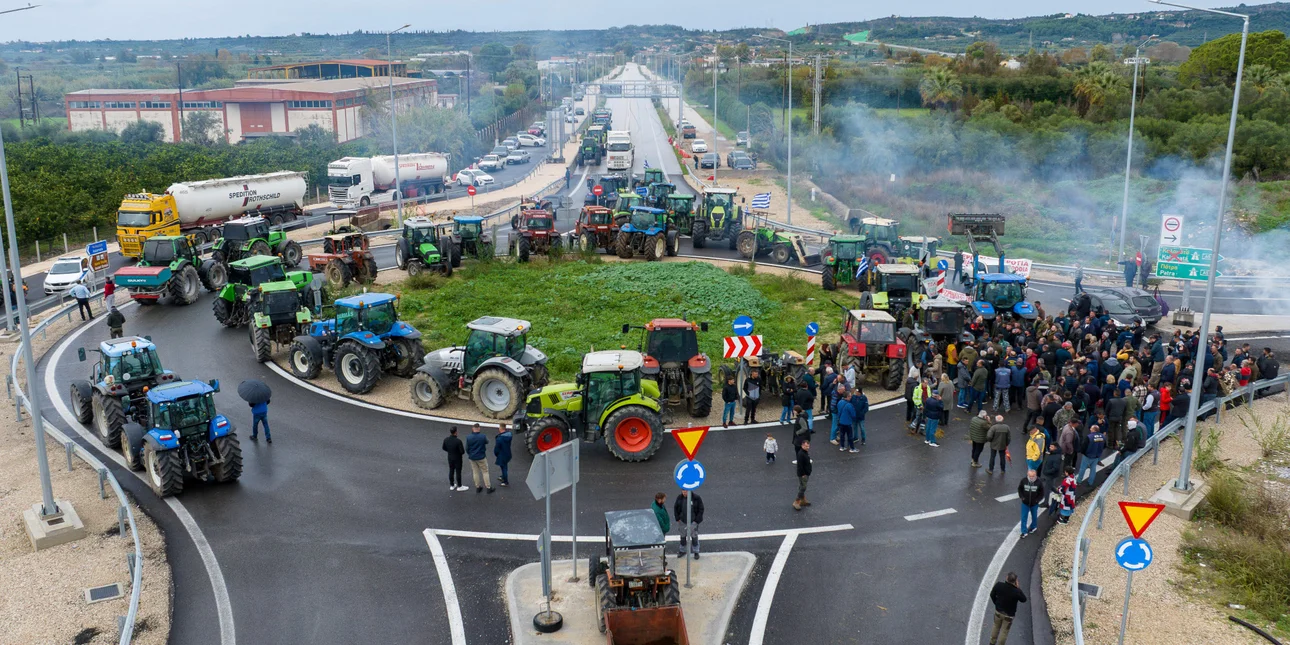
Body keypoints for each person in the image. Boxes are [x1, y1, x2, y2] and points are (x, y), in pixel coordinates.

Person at [989, 572, 1028, 645]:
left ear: (1007, 577)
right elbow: (1024, 599)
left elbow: (992, 595)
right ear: (1015, 581)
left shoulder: (999, 585)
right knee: (1004, 632)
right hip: (1009, 616)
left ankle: (992, 643)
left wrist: (996, 604)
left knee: (996, 627)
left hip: (998, 612)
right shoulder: (1017, 592)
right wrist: (1018, 588)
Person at [673, 490, 703, 559]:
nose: (684, 493)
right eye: (683, 492)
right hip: (682, 522)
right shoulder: (680, 498)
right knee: (682, 537)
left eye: (685, 492)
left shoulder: (696, 498)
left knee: (694, 537)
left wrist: (696, 521)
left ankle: (696, 552)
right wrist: (677, 518)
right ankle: (682, 551)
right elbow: (676, 508)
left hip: (693, 522)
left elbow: (701, 509)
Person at [466, 424, 494, 494]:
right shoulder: (483, 436)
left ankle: (478, 487)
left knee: (475, 472)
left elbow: (467, 448)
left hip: (472, 457)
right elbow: (487, 442)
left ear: (473, 429)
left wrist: (470, 454)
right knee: (485, 471)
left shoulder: (469, 437)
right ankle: (488, 487)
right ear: (479, 429)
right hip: (481, 457)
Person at [1018, 470, 1045, 538]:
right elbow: (1020, 489)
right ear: (1027, 475)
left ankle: (1033, 527)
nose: (1031, 477)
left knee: (1034, 516)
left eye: (1033, 476)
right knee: (1024, 517)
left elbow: (1041, 493)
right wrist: (1022, 497)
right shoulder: (1023, 480)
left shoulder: (1039, 482)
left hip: (1034, 504)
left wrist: (1037, 500)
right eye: (1030, 476)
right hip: (1025, 503)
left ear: (1035, 475)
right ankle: (1024, 531)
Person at [1041, 444, 1065, 514]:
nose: (1049, 447)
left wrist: (1047, 472)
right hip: (1050, 475)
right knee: (1050, 486)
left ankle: (1046, 503)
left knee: (1047, 488)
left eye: (1051, 447)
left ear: (1056, 448)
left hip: (1051, 475)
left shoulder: (1057, 457)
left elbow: (1055, 468)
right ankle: (1060, 492)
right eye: (1050, 446)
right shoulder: (1055, 454)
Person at [442, 427, 467, 491]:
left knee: (451, 470)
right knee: (458, 472)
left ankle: (452, 485)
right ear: (456, 432)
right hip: (457, 458)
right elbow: (462, 451)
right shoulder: (458, 441)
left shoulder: (446, 439)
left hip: (450, 457)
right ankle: (459, 485)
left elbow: (444, 448)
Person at [793, 440, 811, 511]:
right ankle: (797, 501)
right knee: (803, 487)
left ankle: (803, 500)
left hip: (805, 473)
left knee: (802, 486)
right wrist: (803, 474)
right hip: (803, 474)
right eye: (806, 446)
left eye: (808, 446)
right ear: (802, 445)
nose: (808, 447)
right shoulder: (801, 454)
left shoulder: (804, 452)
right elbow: (800, 465)